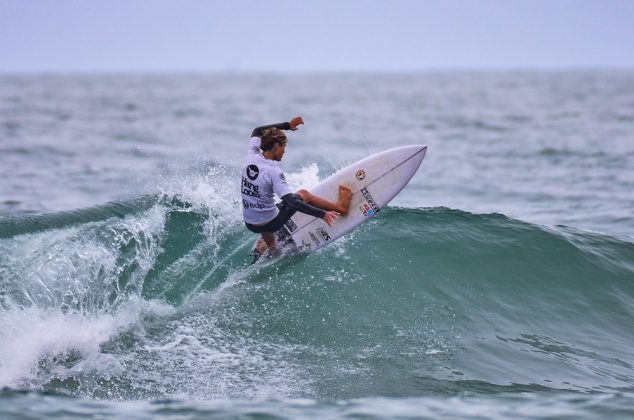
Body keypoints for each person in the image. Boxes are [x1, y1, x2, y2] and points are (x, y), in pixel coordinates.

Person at [241, 116, 352, 255]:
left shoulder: (252, 155)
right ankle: (340, 207)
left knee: (263, 204)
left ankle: (273, 249)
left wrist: (286, 125)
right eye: (284, 146)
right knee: (303, 194)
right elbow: (292, 202)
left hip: (250, 223)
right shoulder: (273, 171)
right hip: (271, 223)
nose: (285, 151)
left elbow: (257, 130)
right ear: (276, 146)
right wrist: (322, 214)